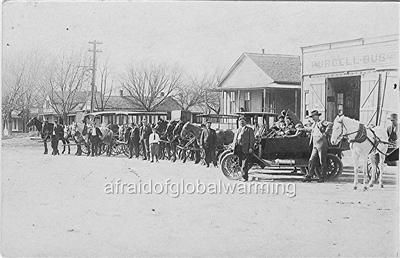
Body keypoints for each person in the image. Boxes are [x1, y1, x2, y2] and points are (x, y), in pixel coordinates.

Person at [303, 110, 332, 183]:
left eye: (313, 116)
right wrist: (302, 129)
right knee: (311, 160)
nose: (312, 118)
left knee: (322, 161)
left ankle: (322, 177)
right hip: (315, 144)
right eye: (312, 117)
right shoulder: (314, 124)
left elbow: (330, 124)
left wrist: (325, 133)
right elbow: (310, 129)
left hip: (321, 143)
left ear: (317, 116)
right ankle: (309, 175)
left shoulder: (322, 122)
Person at [232, 116, 255, 181]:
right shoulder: (238, 130)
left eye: (243, 121)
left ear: (245, 122)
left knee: (244, 164)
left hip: (246, 148)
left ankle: (245, 177)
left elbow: (252, 139)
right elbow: (235, 139)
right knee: (240, 163)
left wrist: (250, 147)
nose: (241, 122)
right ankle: (243, 176)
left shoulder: (249, 129)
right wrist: (233, 146)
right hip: (238, 148)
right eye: (240, 121)